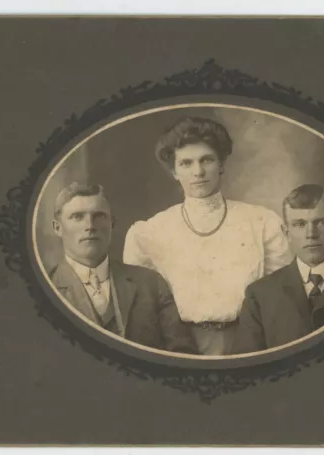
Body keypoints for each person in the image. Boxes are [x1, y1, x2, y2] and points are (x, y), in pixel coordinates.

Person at [123, 117, 292, 355]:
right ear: (174, 170)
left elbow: (280, 299)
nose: (198, 172)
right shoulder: (148, 233)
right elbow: (143, 311)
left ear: (221, 163)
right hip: (178, 347)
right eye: (186, 163)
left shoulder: (261, 222)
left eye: (207, 160)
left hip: (250, 343)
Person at [49, 182, 197, 354]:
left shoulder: (151, 284)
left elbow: (183, 354)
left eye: (99, 216)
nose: (89, 225)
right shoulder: (46, 286)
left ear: (112, 224)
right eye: (77, 217)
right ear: (58, 228)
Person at [232, 183, 324, 354]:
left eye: (321, 222)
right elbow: (250, 369)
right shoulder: (260, 295)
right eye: (299, 224)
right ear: (286, 233)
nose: (311, 234)